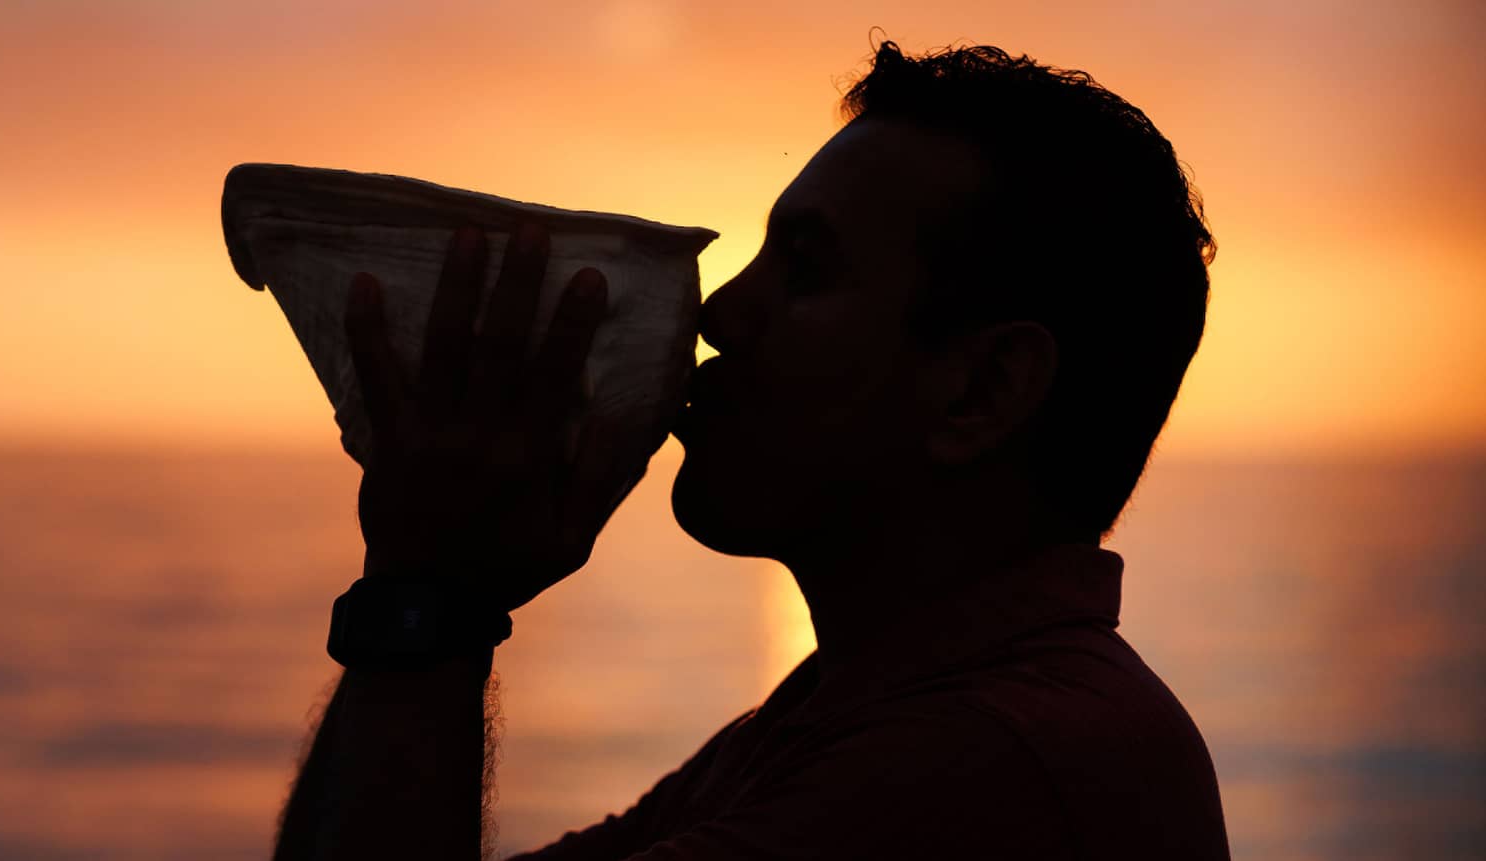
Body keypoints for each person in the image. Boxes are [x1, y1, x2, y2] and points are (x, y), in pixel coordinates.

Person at [271, 39, 1231, 860]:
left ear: (981, 392)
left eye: (804, 271)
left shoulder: (990, 762)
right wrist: (438, 596)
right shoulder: (859, 708)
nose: (722, 311)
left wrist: (428, 594)